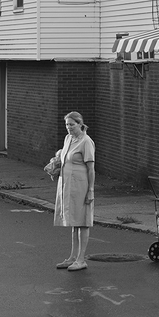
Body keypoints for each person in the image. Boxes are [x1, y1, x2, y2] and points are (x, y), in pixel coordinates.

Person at [53, 111, 95, 271]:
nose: (69, 128)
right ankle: (72, 257)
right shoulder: (68, 139)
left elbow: (91, 169)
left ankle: (81, 259)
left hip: (80, 185)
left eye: (72, 124)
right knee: (73, 221)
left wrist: (90, 190)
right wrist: (57, 163)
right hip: (67, 185)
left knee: (82, 221)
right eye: (67, 125)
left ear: (80, 124)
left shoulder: (86, 141)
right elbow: (65, 158)